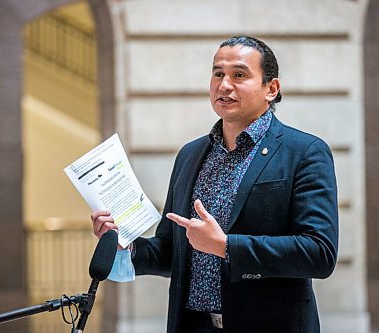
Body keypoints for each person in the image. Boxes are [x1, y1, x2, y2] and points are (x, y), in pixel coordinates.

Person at [91, 36, 338, 333]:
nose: (224, 84)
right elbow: (172, 251)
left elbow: (319, 252)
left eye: (239, 75)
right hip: (193, 326)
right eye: (218, 73)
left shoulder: (304, 152)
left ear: (271, 88)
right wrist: (125, 244)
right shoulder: (190, 155)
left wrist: (226, 247)